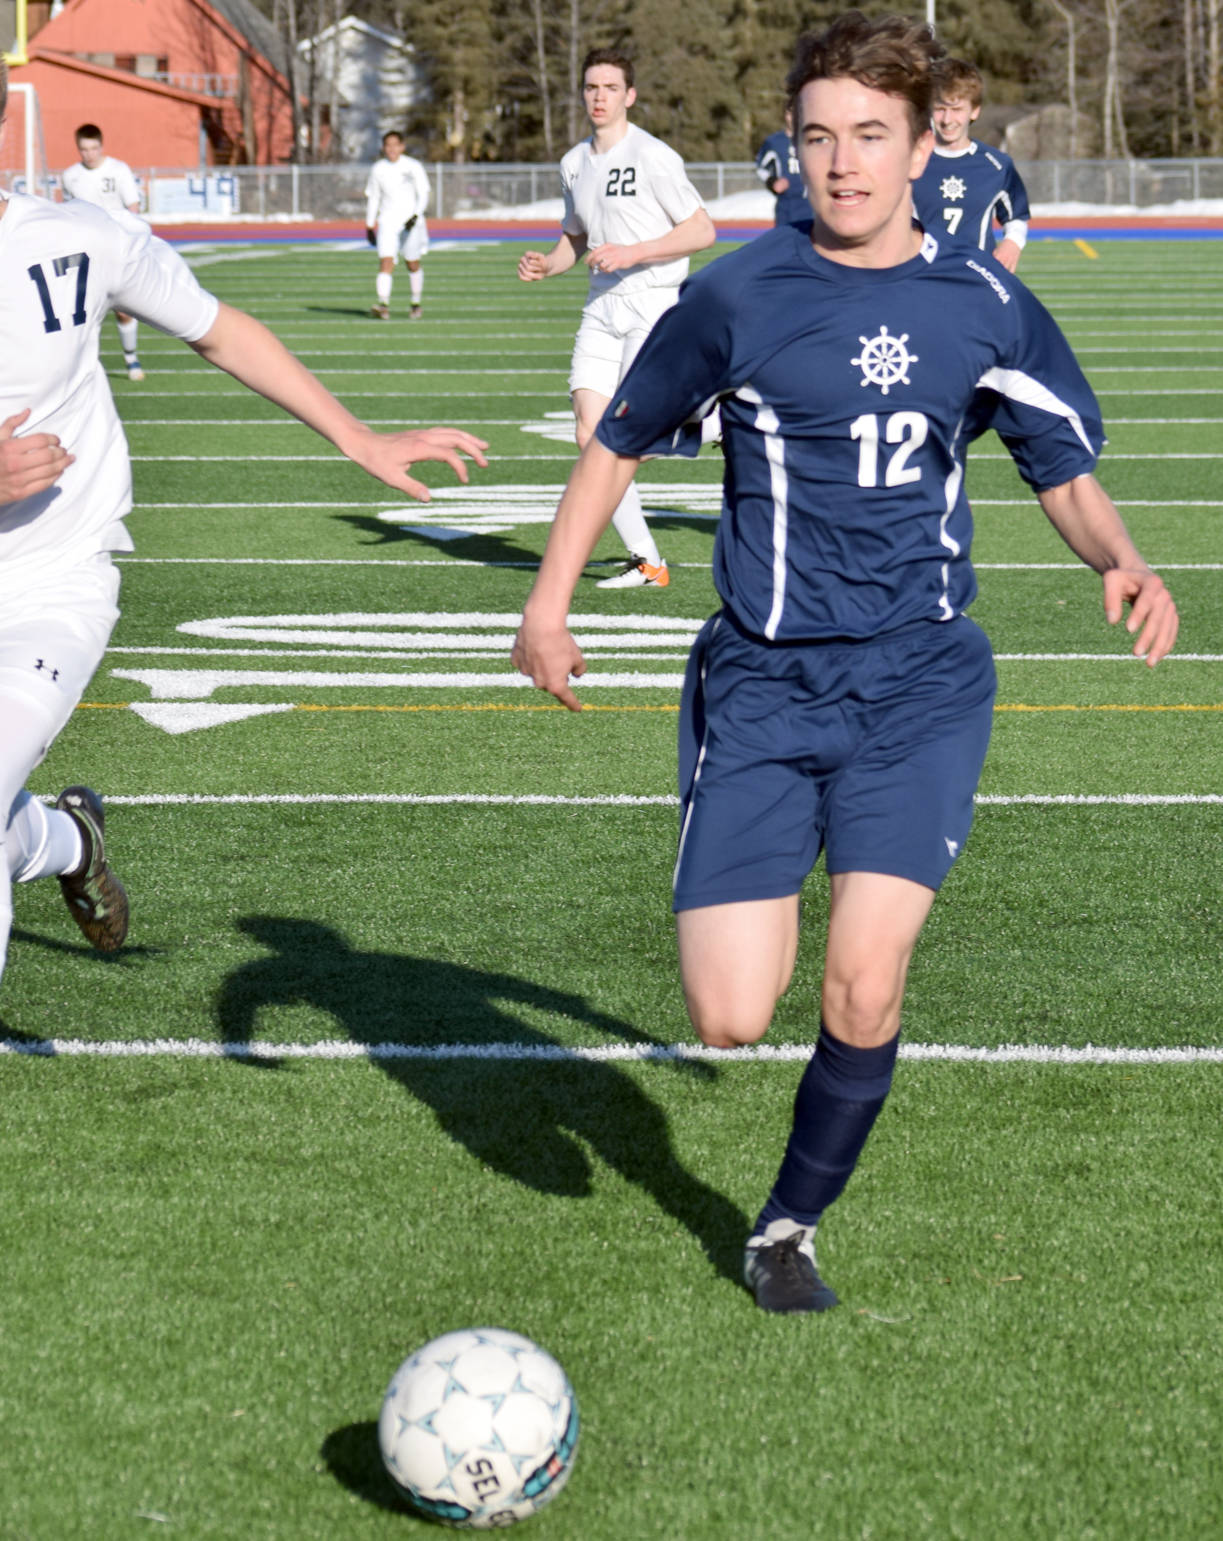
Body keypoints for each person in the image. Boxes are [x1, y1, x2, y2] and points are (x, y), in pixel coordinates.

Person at [0, 12, 488, 1210]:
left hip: (50, 578)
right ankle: (78, 839)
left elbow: (219, 327)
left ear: (4, 126)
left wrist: (359, 435)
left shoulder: (79, 237)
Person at [512, 11, 1176, 1314]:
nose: (842, 164)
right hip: (760, 685)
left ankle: (784, 1226)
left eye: (869, 136)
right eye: (817, 137)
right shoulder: (736, 296)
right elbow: (619, 441)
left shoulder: (982, 302)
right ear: (790, 147)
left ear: (925, 144)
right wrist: (546, 601)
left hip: (916, 684)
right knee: (726, 1016)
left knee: (864, 982)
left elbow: (1059, 464)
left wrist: (1116, 555)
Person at [517, 48, 716, 590]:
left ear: (629, 95)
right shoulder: (574, 163)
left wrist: (634, 252)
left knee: (627, 439)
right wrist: (549, 264)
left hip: (652, 302)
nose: (599, 97)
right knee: (591, 436)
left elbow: (702, 231)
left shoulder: (653, 155)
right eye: (591, 87)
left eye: (610, 87)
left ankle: (713, 418)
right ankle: (648, 562)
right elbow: (576, 237)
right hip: (600, 307)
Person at [911, 57, 1030, 272]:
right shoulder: (911, 159)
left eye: (956, 109)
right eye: (940, 108)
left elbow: (1016, 216)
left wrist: (1012, 243)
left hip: (977, 279)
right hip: (922, 278)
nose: (947, 119)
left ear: (974, 111)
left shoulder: (997, 166)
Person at [61, 123, 147, 379]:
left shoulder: (118, 170)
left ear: (101, 146)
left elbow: (133, 207)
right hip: (85, 250)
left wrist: (128, 241)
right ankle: (85, 366)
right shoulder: (70, 175)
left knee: (123, 307)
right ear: (78, 148)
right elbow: (69, 211)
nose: (90, 154)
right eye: (84, 149)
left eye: (94, 148)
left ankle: (131, 358)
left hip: (117, 247)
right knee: (83, 309)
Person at [364, 130, 429, 320]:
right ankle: (383, 305)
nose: (391, 149)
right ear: (384, 148)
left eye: (395, 144)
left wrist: (416, 215)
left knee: (412, 262)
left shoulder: (413, 166)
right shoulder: (378, 169)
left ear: (402, 146)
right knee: (386, 261)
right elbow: (374, 197)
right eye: (388, 145)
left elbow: (423, 193)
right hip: (387, 222)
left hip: (410, 223)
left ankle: (415, 303)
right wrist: (369, 224)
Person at [754, 107, 811, 226]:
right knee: (784, 242)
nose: (794, 117)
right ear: (786, 115)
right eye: (790, 113)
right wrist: (773, 182)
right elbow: (761, 168)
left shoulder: (812, 138)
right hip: (786, 205)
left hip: (811, 205)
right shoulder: (774, 142)